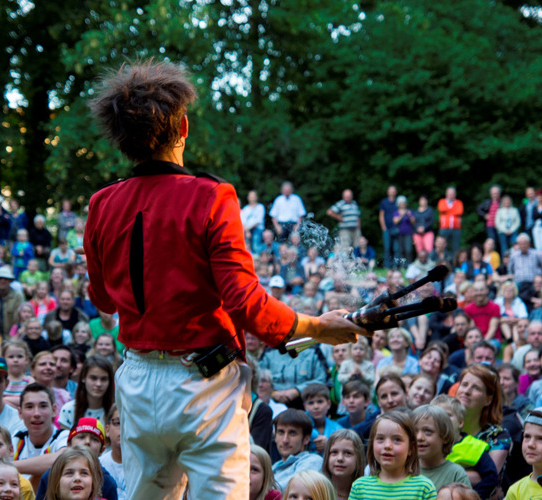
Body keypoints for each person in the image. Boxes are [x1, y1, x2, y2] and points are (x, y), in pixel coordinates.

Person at [84, 61, 359, 499]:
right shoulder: (210, 195)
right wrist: (318, 328)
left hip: (135, 380)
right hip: (203, 385)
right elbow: (245, 302)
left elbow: (102, 298)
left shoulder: (101, 203)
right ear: (184, 126)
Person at [348, 411, 436, 499]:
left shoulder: (424, 488)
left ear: (411, 448)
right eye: (380, 438)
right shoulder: (359, 487)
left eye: (397, 439)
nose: (387, 446)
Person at [454, 364, 511, 491]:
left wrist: (438, 472)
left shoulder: (498, 435)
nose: (466, 391)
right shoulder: (441, 425)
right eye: (464, 384)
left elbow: (489, 476)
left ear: (488, 400)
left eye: (476, 388)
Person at [412, 405, 470, 489]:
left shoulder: (456, 474)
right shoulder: (406, 470)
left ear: (445, 437)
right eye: (414, 431)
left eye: (428, 431)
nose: (419, 437)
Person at [272, 409, 324, 491]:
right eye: (281, 432)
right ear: (275, 436)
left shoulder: (313, 461)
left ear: (306, 439)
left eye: (292, 433)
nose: (285, 440)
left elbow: (292, 489)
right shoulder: (274, 466)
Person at [58, 356, 114, 430]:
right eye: (93, 378)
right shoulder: (69, 410)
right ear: (83, 378)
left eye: (104, 379)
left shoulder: (117, 411)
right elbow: (65, 440)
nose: (98, 384)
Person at [320, 429, 364, 500]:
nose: (340, 458)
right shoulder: (316, 491)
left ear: (359, 459)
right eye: (334, 452)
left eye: (347, 453)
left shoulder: (366, 493)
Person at [302, 383, 342, 454]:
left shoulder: (338, 429)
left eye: (320, 402)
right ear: (305, 406)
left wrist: (330, 445)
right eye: (311, 403)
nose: (316, 406)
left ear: (328, 404)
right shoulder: (299, 425)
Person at [437, 186, 463, 254]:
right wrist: (453, 211)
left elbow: (459, 212)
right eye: (449, 193)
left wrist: (447, 212)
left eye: (452, 194)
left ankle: (455, 263)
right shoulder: (442, 201)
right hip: (444, 228)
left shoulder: (459, 202)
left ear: (455, 194)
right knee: (443, 246)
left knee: (456, 247)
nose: (451, 195)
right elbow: (441, 209)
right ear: (446, 194)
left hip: (456, 228)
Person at [379, 185, 398, 268]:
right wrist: (383, 227)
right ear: (388, 192)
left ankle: (396, 265)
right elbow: (381, 215)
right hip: (387, 229)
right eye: (391, 190)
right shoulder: (384, 202)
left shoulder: (398, 202)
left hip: (396, 229)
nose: (392, 192)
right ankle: (387, 266)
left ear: (396, 192)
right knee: (387, 248)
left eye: (393, 190)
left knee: (396, 248)